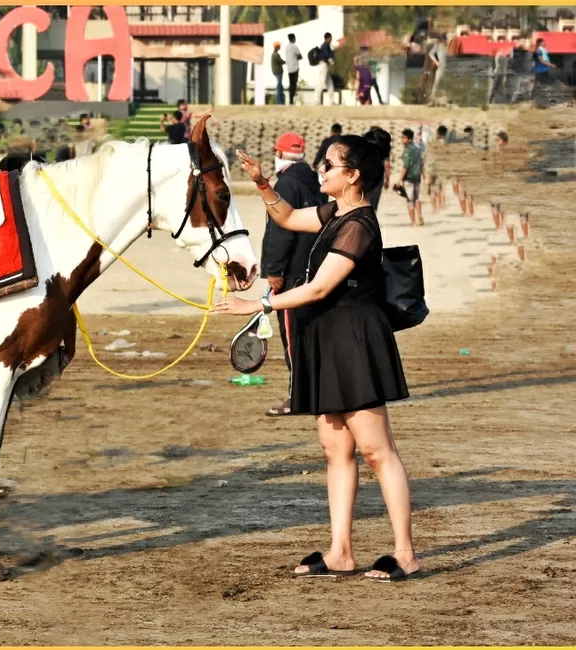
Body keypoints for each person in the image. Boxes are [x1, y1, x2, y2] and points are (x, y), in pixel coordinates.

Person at [225, 129, 420, 582]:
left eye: (329, 166)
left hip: (353, 338)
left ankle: (406, 553)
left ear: (352, 176)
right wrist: (261, 184)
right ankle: (340, 552)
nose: (321, 171)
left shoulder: (359, 225)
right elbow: (290, 218)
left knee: (376, 450)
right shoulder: (336, 212)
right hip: (325, 336)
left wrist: (257, 304)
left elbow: (319, 287)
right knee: (336, 449)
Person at [259, 132, 325, 417]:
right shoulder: (315, 181)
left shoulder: (286, 183)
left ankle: (298, 396)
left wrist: (273, 270)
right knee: (310, 334)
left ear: (279, 152)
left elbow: (280, 230)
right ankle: (317, 391)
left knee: (293, 335)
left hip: (292, 273)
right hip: (315, 270)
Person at [397, 128, 424, 227]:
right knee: (417, 198)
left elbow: (405, 166)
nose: (402, 140)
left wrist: (400, 180)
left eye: (403, 138)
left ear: (409, 139)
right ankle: (419, 216)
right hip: (417, 177)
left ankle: (413, 222)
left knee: (410, 200)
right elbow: (421, 164)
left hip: (409, 178)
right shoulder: (417, 149)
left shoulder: (407, 150)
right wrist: (424, 176)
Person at [366, 125, 391, 211]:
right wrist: (387, 180)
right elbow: (387, 165)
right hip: (378, 178)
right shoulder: (383, 148)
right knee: (374, 204)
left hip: (366, 177)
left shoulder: (364, 145)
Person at [314, 32, 335, 106]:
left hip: (325, 65)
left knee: (329, 83)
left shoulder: (326, 46)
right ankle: (316, 100)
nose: (331, 39)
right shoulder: (325, 46)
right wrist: (332, 51)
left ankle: (331, 100)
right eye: (331, 38)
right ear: (328, 38)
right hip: (323, 65)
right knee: (321, 82)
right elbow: (327, 55)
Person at [284, 34, 302, 105]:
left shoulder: (286, 47)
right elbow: (300, 56)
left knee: (291, 84)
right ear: (293, 38)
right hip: (295, 68)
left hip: (289, 68)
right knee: (294, 84)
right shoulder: (295, 47)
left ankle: (290, 99)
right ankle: (292, 100)